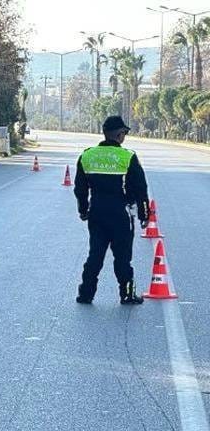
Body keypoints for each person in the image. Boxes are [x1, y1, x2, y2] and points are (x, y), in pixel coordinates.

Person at [74, 115, 150, 305]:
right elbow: (141, 188)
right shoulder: (128, 157)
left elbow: (80, 189)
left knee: (95, 255)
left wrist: (83, 210)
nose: (124, 136)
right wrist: (144, 214)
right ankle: (127, 294)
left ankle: (85, 294)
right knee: (123, 257)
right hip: (120, 214)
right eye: (124, 133)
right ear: (119, 134)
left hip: (97, 213)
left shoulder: (87, 155)